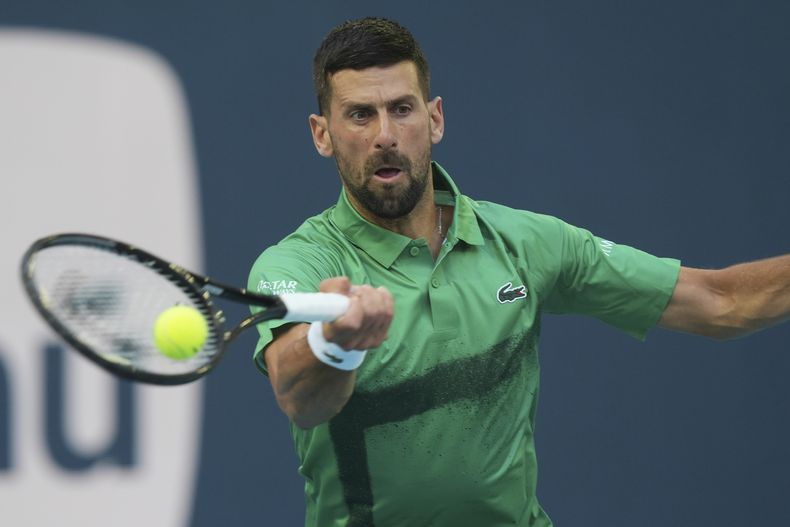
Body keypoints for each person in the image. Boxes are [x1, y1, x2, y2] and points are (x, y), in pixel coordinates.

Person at [248, 17, 790, 527]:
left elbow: (721, 302)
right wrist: (337, 343)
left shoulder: (525, 243)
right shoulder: (298, 264)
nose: (385, 134)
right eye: (361, 114)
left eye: (403, 109)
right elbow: (300, 398)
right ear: (322, 134)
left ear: (434, 118)